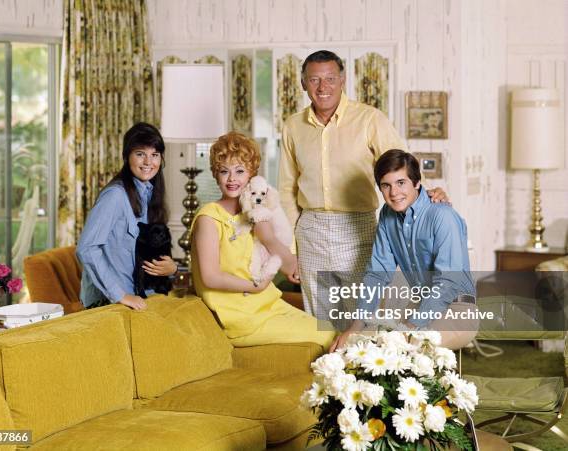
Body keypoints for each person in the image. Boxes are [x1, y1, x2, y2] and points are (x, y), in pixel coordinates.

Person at [279, 49, 448, 321]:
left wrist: (426, 193)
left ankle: (359, 363)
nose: (323, 87)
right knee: (318, 320)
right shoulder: (292, 127)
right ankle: (325, 365)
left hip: (357, 228)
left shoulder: (369, 119)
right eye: (314, 80)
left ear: (343, 80)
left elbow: (401, 166)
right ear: (303, 84)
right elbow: (287, 190)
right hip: (310, 229)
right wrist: (290, 250)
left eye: (330, 78)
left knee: (362, 316)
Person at [190, 131, 335, 349]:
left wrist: (271, 240)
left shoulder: (256, 211)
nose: (232, 179)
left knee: (333, 331)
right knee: (326, 337)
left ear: (252, 175)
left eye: (239, 171)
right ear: (215, 174)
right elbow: (210, 278)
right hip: (240, 316)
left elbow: (281, 256)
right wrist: (255, 287)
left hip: (268, 305)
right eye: (224, 171)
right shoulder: (209, 217)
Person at [330, 149, 478, 351]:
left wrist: (409, 328)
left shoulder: (442, 216)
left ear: (417, 182)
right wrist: (356, 326)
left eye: (401, 183)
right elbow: (377, 274)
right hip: (420, 305)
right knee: (360, 345)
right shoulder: (387, 215)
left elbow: (448, 282)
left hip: (458, 309)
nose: (393, 193)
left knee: (404, 349)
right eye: (386, 185)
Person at [76, 122, 177, 310]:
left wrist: (172, 269)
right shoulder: (115, 196)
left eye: (154, 155)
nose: (148, 162)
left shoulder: (150, 194)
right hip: (110, 302)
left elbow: (147, 251)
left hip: (142, 297)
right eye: (140, 154)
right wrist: (120, 295)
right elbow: (86, 248)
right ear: (126, 156)